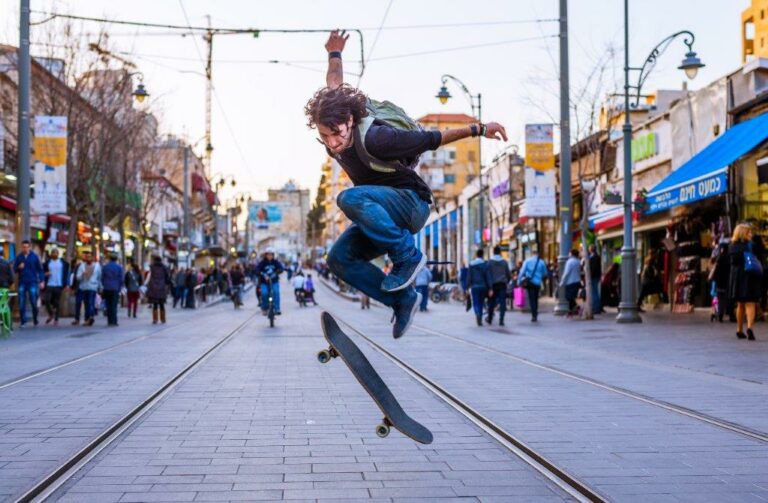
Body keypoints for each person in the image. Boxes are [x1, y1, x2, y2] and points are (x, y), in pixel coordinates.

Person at [306, 30, 507, 339]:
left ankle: (407, 257)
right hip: (380, 210)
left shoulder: (377, 137)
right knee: (338, 259)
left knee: (349, 199)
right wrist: (335, 52)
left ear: (349, 119)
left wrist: (479, 128)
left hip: (411, 203)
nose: (334, 143)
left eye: (338, 134)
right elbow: (335, 82)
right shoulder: (335, 111)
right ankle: (401, 299)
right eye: (325, 137)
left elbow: (431, 138)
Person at [729, 223, 762, 340]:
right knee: (750, 303)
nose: (751, 234)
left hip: (737, 277)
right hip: (749, 276)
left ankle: (739, 329)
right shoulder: (751, 246)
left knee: (740, 304)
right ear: (744, 234)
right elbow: (759, 257)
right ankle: (750, 328)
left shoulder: (732, 246)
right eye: (749, 233)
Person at [13, 240, 44, 327]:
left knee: (33, 301)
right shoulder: (19, 257)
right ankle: (23, 321)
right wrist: (19, 267)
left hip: (32, 282)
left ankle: (35, 318)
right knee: (21, 302)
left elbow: (40, 270)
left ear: (30, 247)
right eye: (23, 247)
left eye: (26, 247)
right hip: (22, 282)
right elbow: (14, 269)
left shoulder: (34, 257)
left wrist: (41, 281)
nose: (25, 249)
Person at [518, 251, 548, 322]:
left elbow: (522, 272)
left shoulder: (527, 261)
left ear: (532, 254)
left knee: (532, 299)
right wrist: (539, 276)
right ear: (538, 255)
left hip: (530, 283)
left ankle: (534, 315)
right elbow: (545, 273)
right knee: (536, 298)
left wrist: (519, 281)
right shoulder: (541, 262)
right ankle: (535, 312)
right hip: (537, 283)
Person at [43, 248, 69, 325]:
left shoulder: (63, 263)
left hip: (59, 284)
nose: (54, 254)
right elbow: (42, 272)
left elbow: (66, 274)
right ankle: (51, 314)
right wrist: (45, 274)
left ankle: (56, 319)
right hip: (49, 284)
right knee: (47, 300)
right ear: (51, 254)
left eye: (56, 253)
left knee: (57, 302)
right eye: (53, 253)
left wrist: (67, 284)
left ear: (58, 254)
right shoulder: (47, 263)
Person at [74, 250, 101, 326]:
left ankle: (90, 317)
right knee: (86, 303)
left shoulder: (97, 266)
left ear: (93, 258)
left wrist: (99, 287)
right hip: (83, 287)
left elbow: (99, 277)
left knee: (90, 302)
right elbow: (77, 277)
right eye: (87, 257)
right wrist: (82, 274)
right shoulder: (82, 266)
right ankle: (87, 319)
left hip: (93, 287)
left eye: (90, 257)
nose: (88, 258)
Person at [486, 246, 511, 326]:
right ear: (500, 252)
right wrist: (506, 281)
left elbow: (488, 275)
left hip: (493, 285)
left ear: (493, 252)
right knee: (502, 302)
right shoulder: (504, 262)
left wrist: (489, 286)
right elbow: (508, 274)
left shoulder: (489, 262)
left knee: (491, 302)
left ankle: (490, 318)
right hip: (502, 284)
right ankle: (501, 320)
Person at [256, 248, 285, 315]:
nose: (269, 256)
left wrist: (277, 272)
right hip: (264, 283)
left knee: (276, 292)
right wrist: (261, 274)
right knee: (264, 293)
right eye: (268, 255)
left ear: (273, 255)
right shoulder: (262, 263)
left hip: (274, 281)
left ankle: (277, 308)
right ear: (265, 255)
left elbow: (281, 268)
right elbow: (257, 269)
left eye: (271, 255)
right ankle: (264, 308)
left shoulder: (276, 262)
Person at [468, 249, 491, 327]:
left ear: (476, 255)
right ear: (482, 255)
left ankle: (477, 313)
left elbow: (469, 276)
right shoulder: (485, 264)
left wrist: (467, 286)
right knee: (481, 302)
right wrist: (490, 287)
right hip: (483, 286)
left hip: (474, 286)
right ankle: (480, 316)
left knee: (475, 302)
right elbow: (488, 277)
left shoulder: (471, 264)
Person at [146, 256, 171, 324]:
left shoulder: (151, 267)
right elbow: (167, 278)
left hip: (153, 288)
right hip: (162, 288)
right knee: (162, 304)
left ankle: (155, 319)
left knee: (155, 304)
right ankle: (163, 319)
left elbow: (149, 277)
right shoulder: (164, 267)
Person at [101, 254, 123, 327]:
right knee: (114, 305)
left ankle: (109, 321)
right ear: (116, 259)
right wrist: (120, 287)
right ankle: (114, 321)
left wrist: (104, 285)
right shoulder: (119, 267)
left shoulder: (105, 267)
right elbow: (121, 279)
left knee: (108, 304)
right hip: (115, 288)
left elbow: (102, 277)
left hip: (107, 287)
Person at [560, 249, 582, 317]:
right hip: (577, 281)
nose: (568, 254)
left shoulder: (569, 262)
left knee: (568, 297)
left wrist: (562, 281)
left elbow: (566, 273)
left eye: (569, 253)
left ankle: (577, 308)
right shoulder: (578, 261)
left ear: (571, 254)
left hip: (570, 282)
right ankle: (572, 311)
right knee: (571, 297)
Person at [587, 244, 603, 314]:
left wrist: (589, 276)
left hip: (594, 277)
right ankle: (596, 307)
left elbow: (593, 268)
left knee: (594, 292)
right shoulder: (595, 256)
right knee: (594, 291)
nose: (588, 249)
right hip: (595, 276)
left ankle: (596, 308)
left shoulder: (594, 257)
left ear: (591, 249)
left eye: (589, 248)